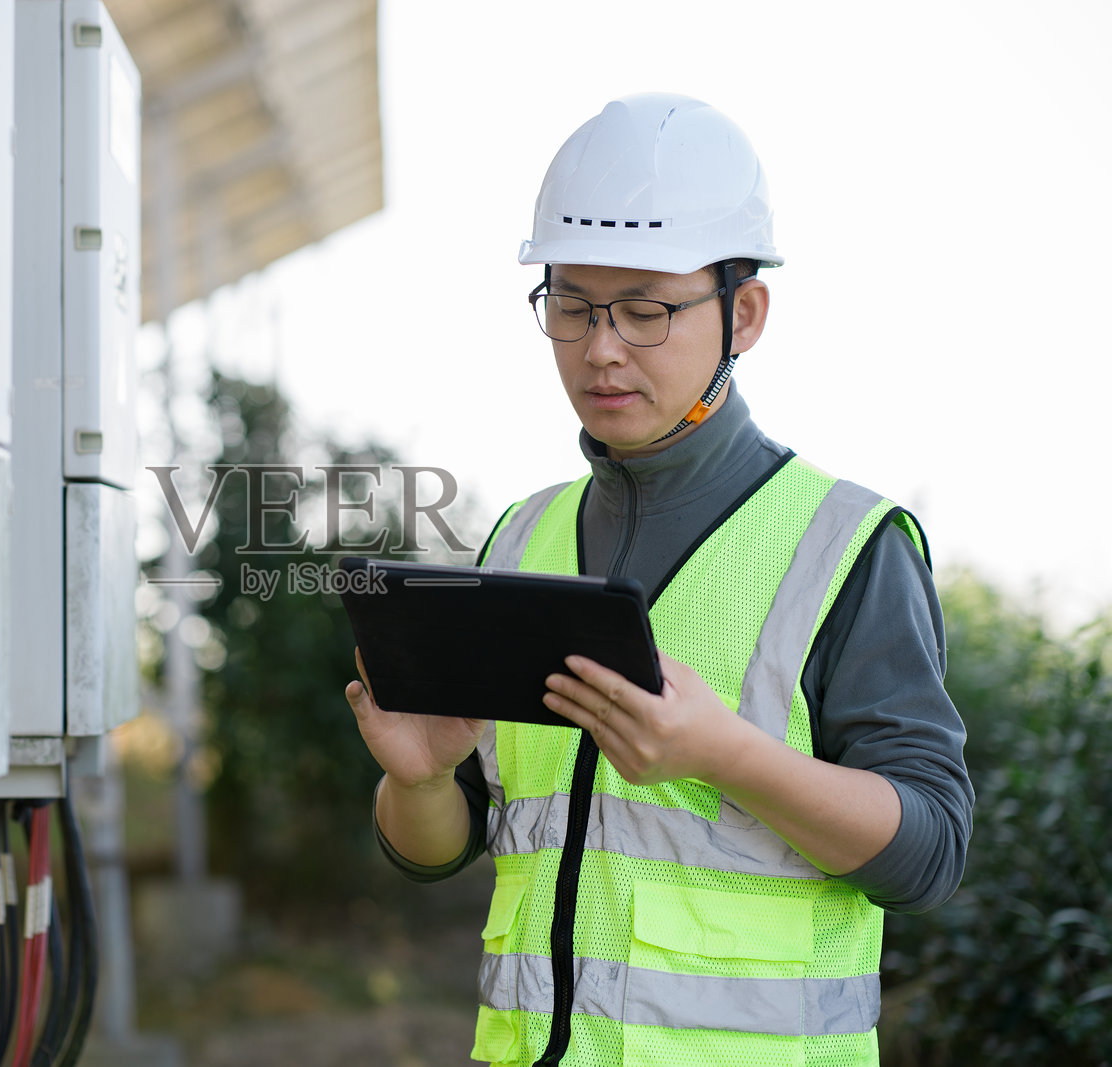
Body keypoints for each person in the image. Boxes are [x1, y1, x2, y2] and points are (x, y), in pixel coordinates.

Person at [344, 92, 973, 1067]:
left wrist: (724, 754)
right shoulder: (519, 538)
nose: (601, 347)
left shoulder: (847, 545)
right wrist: (416, 777)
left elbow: (927, 853)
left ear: (743, 313)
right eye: (571, 305)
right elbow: (438, 847)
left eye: (645, 310)